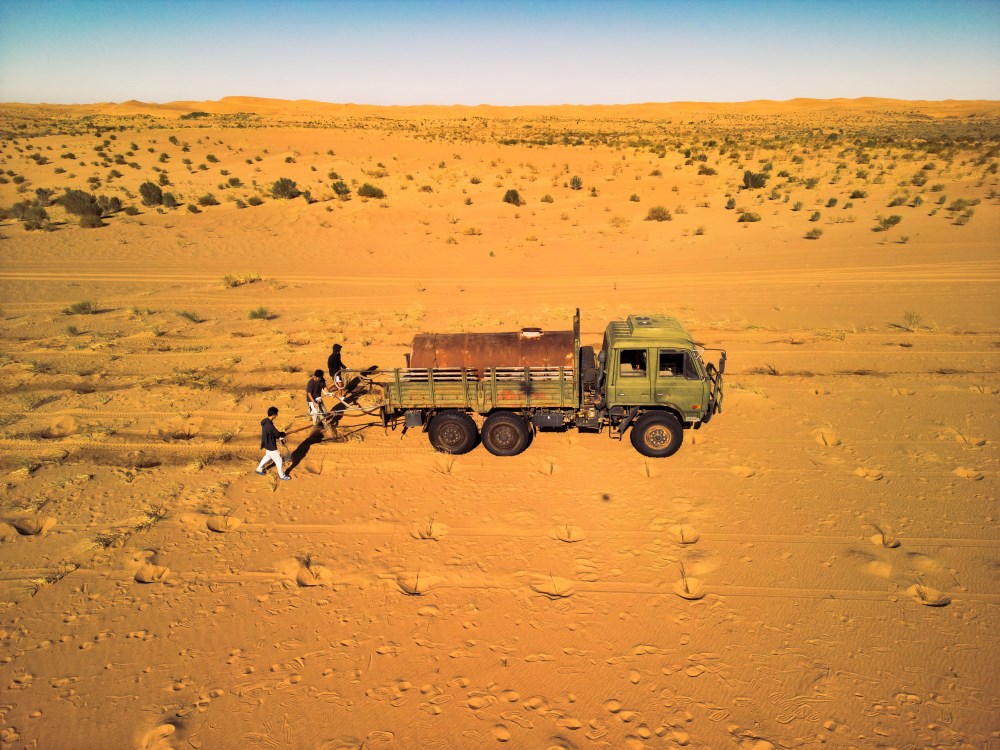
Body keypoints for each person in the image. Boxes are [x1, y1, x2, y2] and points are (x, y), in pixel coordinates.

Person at [257, 407, 290, 480]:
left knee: (268, 456)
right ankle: (282, 476)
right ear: (273, 415)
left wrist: (279, 435)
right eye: (276, 414)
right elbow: (276, 433)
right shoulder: (270, 425)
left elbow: (273, 433)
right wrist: (281, 434)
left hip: (266, 443)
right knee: (279, 460)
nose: (277, 415)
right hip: (270, 444)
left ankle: (259, 469)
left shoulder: (265, 421)